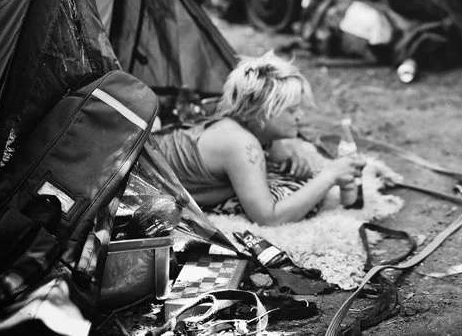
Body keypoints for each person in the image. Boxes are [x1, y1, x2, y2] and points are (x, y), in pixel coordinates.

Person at [154, 51, 364, 225]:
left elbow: (282, 157)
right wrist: (329, 176)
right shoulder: (239, 143)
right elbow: (268, 217)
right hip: (144, 181)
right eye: (292, 111)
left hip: (156, 150)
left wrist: (290, 154)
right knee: (298, 194)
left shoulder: (248, 126)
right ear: (262, 112)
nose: (301, 116)